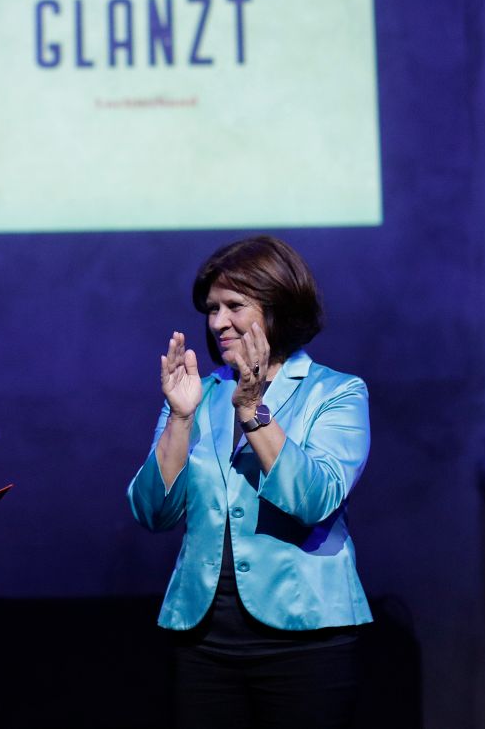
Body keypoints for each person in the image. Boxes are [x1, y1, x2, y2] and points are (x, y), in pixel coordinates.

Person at [128, 235, 370, 729]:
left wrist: (253, 412)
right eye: (212, 308)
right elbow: (152, 512)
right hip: (204, 638)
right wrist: (178, 418)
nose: (218, 323)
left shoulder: (336, 391)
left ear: (277, 306)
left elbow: (316, 499)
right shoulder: (200, 395)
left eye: (235, 306)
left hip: (306, 632)